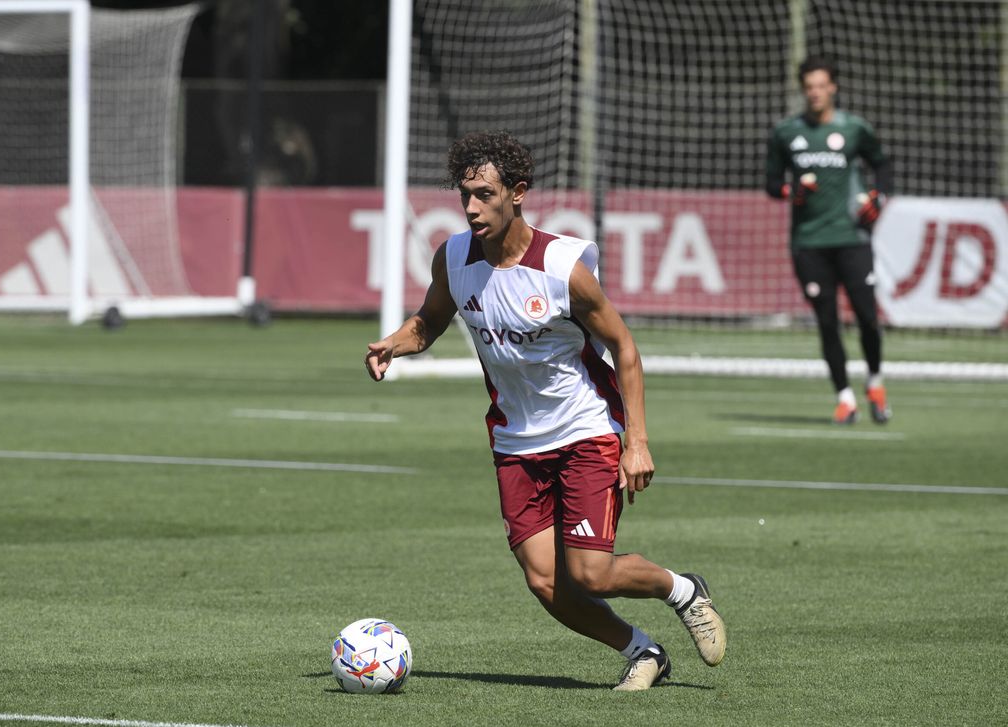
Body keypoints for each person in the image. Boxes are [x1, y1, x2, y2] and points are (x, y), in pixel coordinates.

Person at [365, 130, 726, 690]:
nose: (470, 208)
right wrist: (394, 343)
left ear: (518, 193)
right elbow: (429, 322)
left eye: (484, 194)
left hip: (586, 430)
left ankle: (682, 590)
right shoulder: (454, 257)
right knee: (544, 580)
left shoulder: (562, 268)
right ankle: (643, 650)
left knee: (591, 573)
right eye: (464, 195)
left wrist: (638, 441)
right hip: (516, 442)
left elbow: (624, 347)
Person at [766, 56, 893, 424]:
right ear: (803, 90)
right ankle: (845, 397)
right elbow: (773, 184)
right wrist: (792, 190)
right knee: (826, 322)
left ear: (833, 87)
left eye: (822, 86)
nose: (815, 93)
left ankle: (875, 382)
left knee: (868, 318)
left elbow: (882, 166)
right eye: (809, 87)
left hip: (852, 238)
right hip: (809, 242)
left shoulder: (854, 129)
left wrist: (878, 197)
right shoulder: (787, 133)